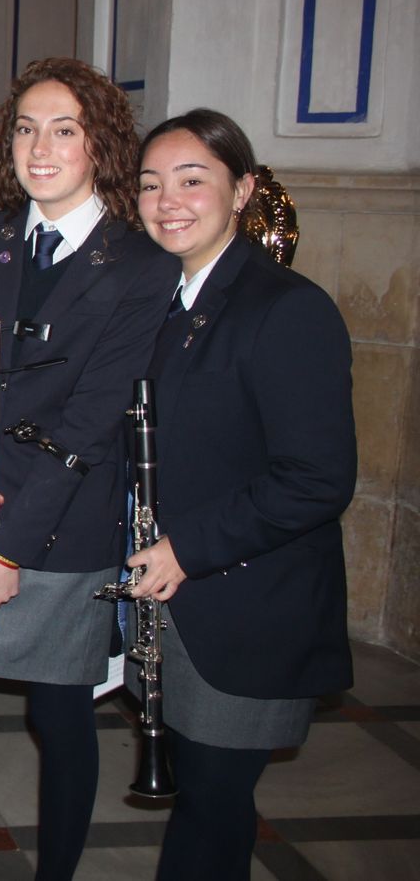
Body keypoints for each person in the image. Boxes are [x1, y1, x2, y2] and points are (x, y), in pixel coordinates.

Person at [0, 57, 178, 881]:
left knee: (61, 719)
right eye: (25, 129)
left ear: (100, 145)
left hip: (60, 525)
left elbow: (94, 421)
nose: (40, 147)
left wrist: (9, 549)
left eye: (63, 129)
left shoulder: (141, 264)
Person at [130, 109, 354, 880]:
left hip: (249, 605)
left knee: (214, 807)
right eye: (152, 184)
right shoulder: (163, 301)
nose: (169, 201)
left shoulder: (286, 308)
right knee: (203, 792)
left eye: (193, 181)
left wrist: (186, 548)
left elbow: (318, 479)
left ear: (244, 190)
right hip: (180, 605)